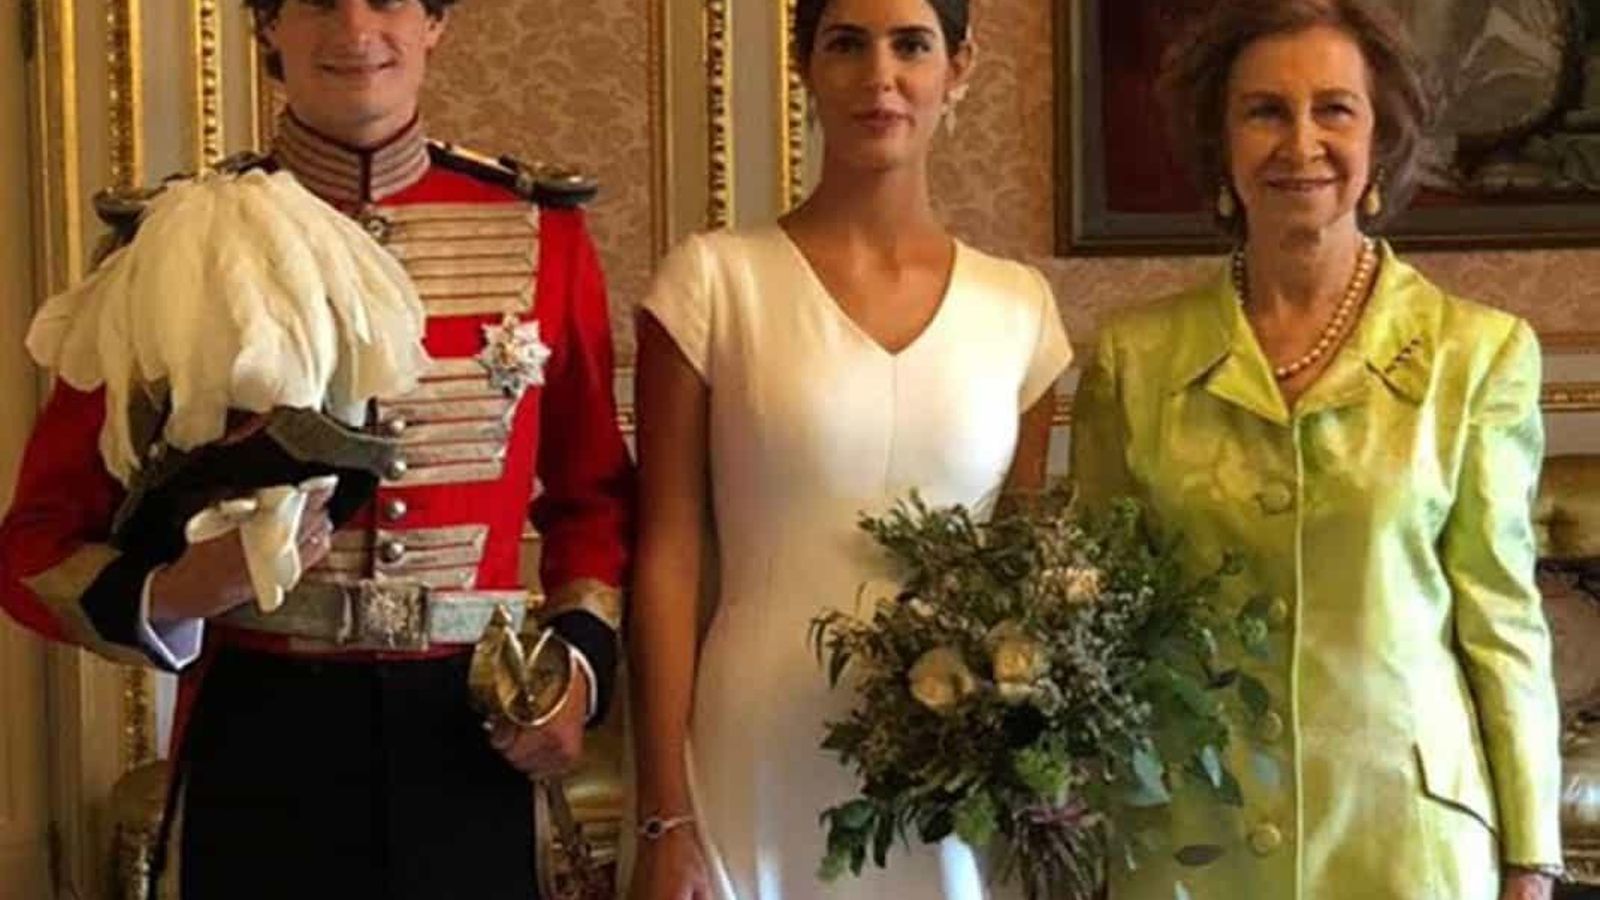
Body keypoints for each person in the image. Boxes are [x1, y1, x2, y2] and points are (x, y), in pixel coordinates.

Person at [0, 1, 633, 898]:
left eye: (387, 0)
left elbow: (594, 494)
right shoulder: (175, 244)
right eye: (317, 1)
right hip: (260, 725)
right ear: (267, 27)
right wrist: (175, 590)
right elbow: (35, 541)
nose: (354, 29)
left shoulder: (543, 231)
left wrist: (575, 665)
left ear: (435, 23)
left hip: (472, 730)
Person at [1068, 1, 1563, 898]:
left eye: (1334, 108)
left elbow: (1502, 619)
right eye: (1265, 111)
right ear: (1220, 142)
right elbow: (1100, 629)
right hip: (1187, 842)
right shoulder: (1132, 362)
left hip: (1405, 845)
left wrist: (1529, 857)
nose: (1301, 141)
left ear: (1383, 137)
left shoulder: (1478, 354)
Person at [626, 0, 1073, 897]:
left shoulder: (1020, 311)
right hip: (752, 752)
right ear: (805, 66)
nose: (880, 76)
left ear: (960, 66)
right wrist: (665, 816)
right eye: (846, 44)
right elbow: (669, 558)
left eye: (911, 45)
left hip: (947, 787)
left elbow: (1024, 587)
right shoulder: (714, 283)